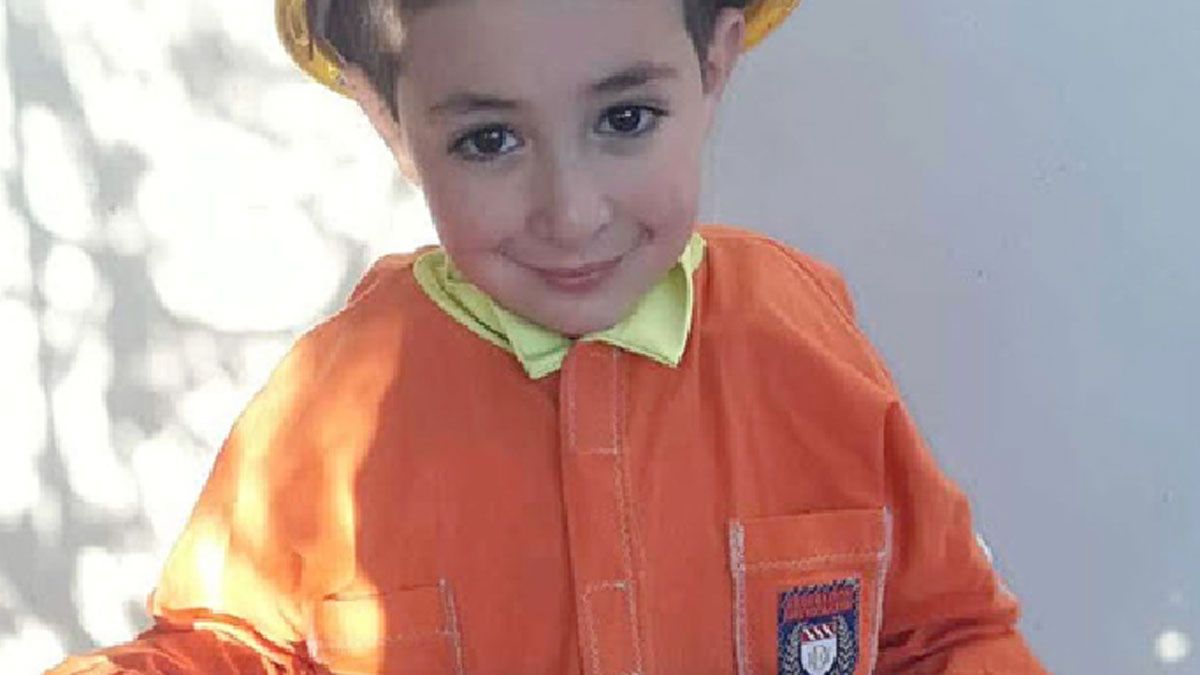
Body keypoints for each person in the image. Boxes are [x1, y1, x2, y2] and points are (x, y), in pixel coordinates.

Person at [50, 0, 1047, 673]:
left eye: (626, 118)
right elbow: (227, 651)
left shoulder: (807, 338)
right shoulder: (328, 400)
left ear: (713, 65)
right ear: (387, 117)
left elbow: (945, 634)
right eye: (489, 140)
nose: (571, 213)